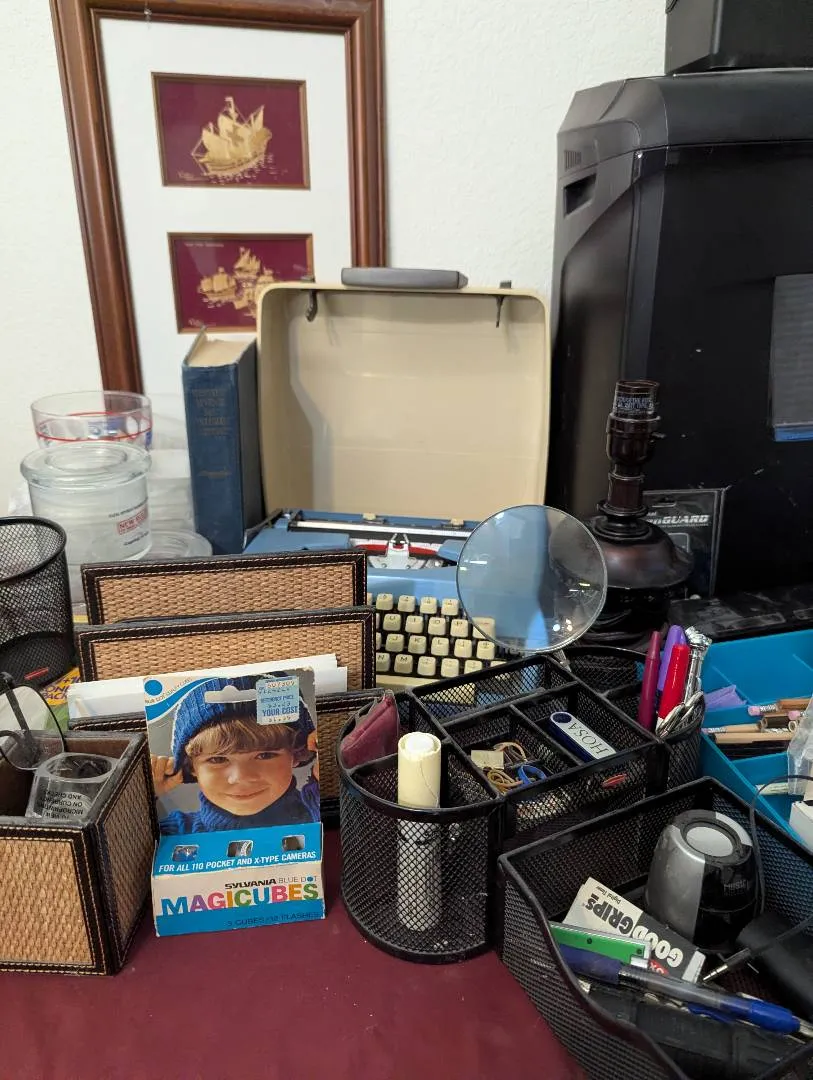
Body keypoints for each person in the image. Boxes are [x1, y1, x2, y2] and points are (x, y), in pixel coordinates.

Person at [150, 676, 317, 835]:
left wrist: (327, 759)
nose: (242, 778)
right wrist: (144, 798)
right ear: (191, 766)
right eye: (218, 759)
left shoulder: (317, 813)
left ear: (297, 753)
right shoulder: (171, 833)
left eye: (265, 755)